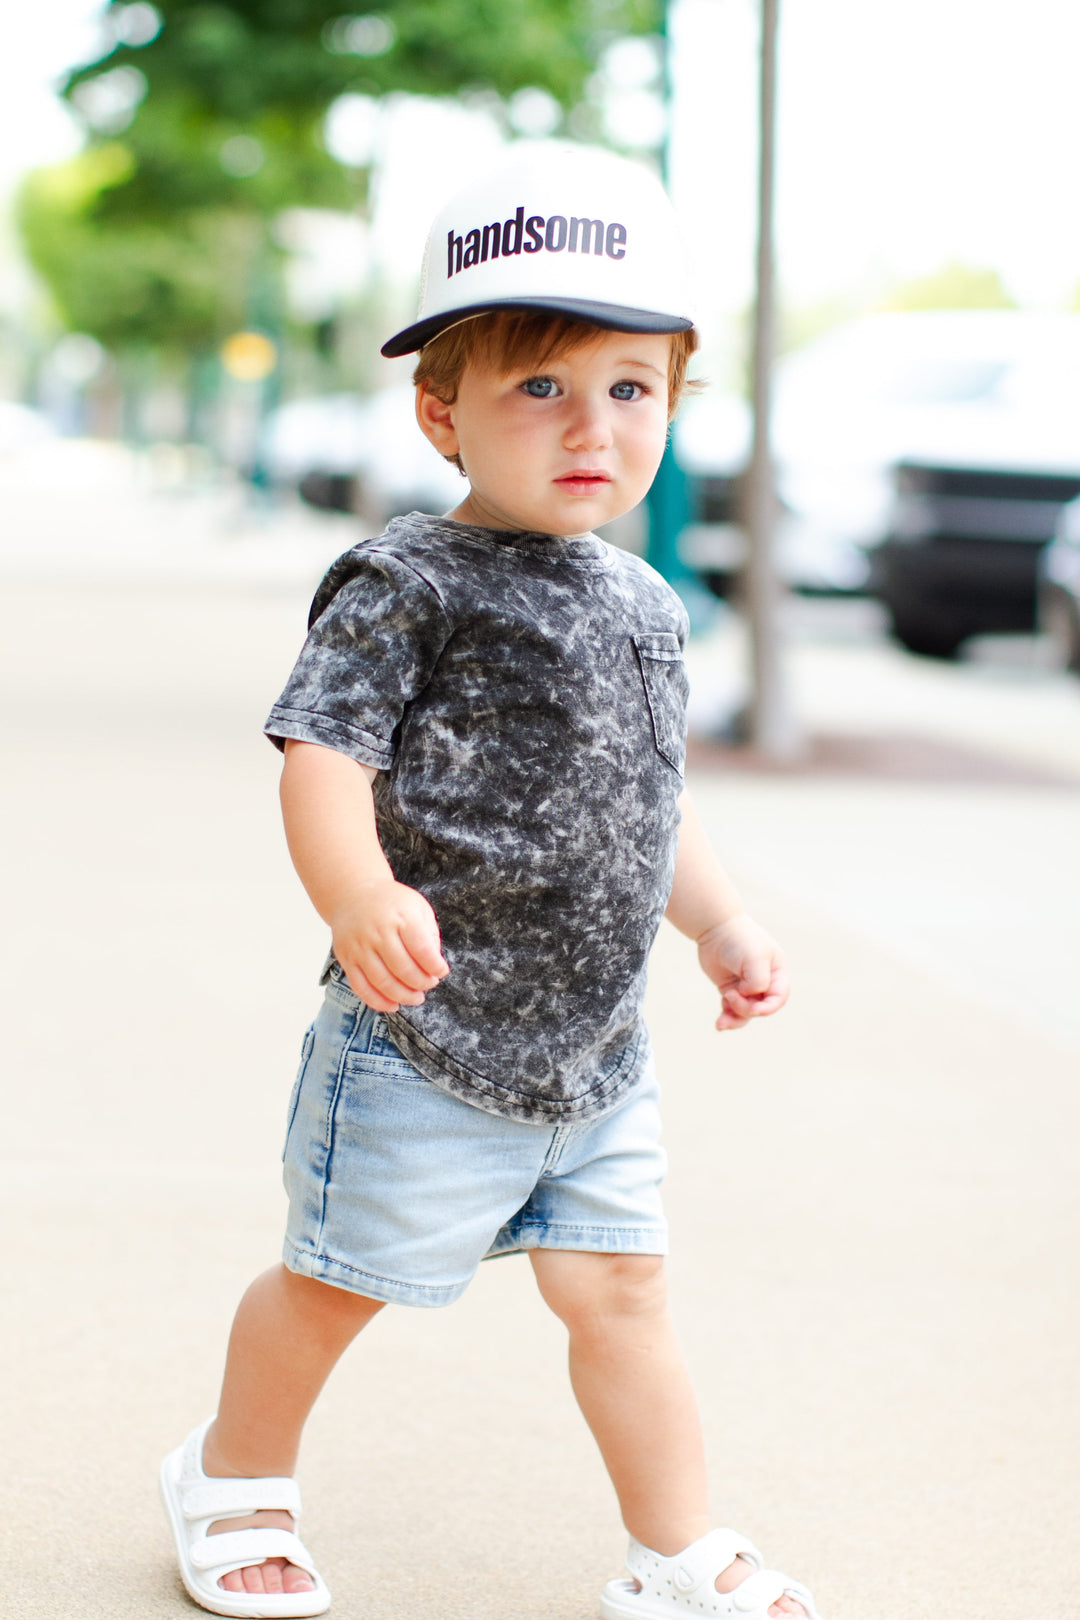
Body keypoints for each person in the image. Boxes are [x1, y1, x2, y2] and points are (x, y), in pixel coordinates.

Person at [160, 143, 823, 1620]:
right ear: (439, 407)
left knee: (625, 1293)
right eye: (541, 386)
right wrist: (352, 897)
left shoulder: (646, 599)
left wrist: (717, 920)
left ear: (674, 402)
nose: (592, 425)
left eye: (630, 388)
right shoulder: (410, 580)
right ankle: (232, 1476)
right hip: (424, 1040)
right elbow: (320, 756)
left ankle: (675, 1545)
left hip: (595, 1057)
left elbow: (652, 798)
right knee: (339, 1281)